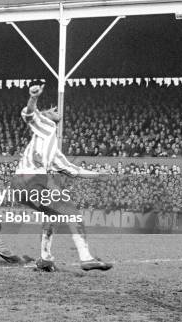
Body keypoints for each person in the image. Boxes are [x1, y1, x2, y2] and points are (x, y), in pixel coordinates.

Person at [11, 83, 112, 272]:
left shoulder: (53, 151)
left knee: (53, 215)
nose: (55, 109)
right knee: (71, 211)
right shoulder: (45, 126)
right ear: (46, 115)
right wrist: (33, 98)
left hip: (20, 186)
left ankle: (45, 259)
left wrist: (101, 175)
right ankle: (86, 257)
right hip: (30, 180)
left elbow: (74, 170)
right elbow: (29, 115)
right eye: (51, 109)